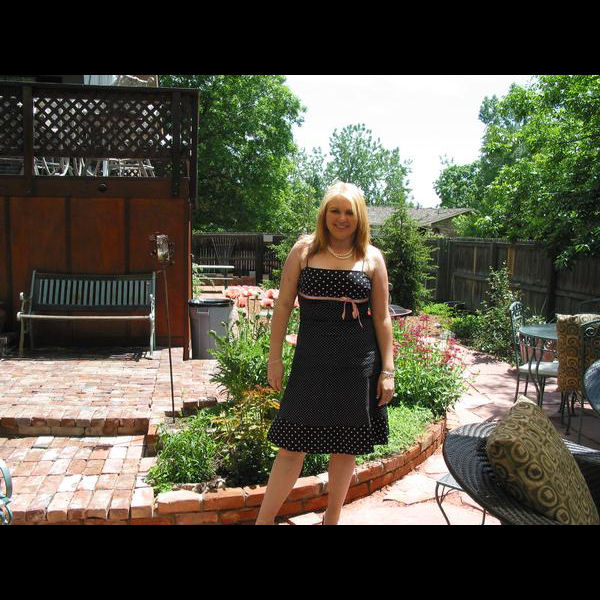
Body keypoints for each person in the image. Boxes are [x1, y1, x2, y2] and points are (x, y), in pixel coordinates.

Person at [255, 181, 395, 525]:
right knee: (291, 445)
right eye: (335, 210)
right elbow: (283, 305)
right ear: (325, 213)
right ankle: (263, 521)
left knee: (345, 445)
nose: (342, 218)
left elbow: (382, 317)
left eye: (349, 212)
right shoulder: (303, 250)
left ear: (359, 217)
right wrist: (275, 359)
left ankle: (331, 519)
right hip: (311, 362)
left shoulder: (371, 258)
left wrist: (388, 371)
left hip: (356, 363)